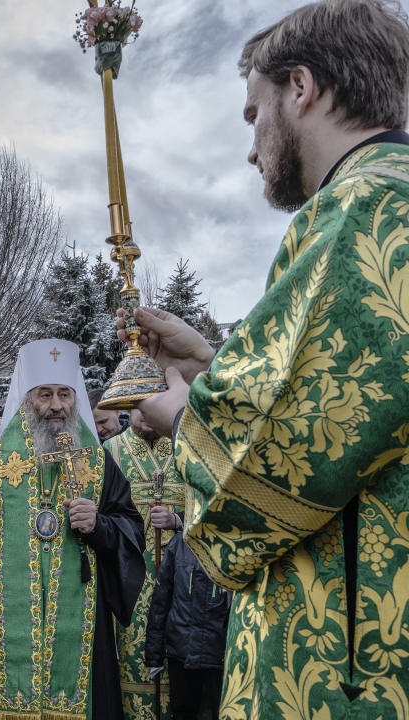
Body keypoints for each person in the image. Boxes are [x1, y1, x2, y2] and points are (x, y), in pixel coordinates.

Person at [123, 1, 409, 715]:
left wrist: (184, 416)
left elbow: (278, 460)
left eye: (254, 114)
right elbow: (353, 407)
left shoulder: (360, 214)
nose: (252, 148)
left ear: (302, 88)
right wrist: (215, 358)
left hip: (348, 666)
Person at [0, 339, 145, 719]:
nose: (56, 406)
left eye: (64, 395)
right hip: (4, 625)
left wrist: (99, 525)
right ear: (28, 398)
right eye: (45, 395)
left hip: (81, 626)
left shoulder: (98, 462)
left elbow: (132, 529)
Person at [104, 409, 185, 720]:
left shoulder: (186, 448)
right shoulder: (110, 452)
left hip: (182, 586)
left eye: (156, 405)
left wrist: (179, 521)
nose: (149, 414)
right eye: (142, 406)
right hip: (130, 586)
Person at [144, 532, 231, 720]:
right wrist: (154, 655)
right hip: (181, 652)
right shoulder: (180, 543)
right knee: (183, 713)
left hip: (220, 654)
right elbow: (161, 600)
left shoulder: (236, 546)